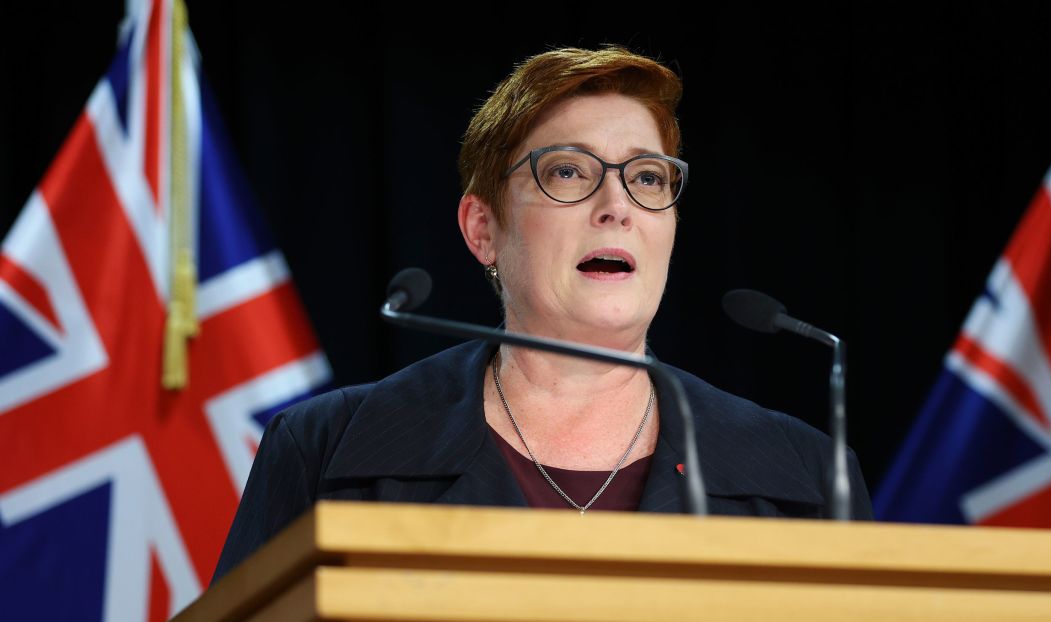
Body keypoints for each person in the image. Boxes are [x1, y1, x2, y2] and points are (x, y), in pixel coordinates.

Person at [212, 46, 873, 581]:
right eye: (567, 171)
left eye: (647, 177)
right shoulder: (327, 450)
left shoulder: (806, 475)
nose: (616, 205)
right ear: (482, 230)